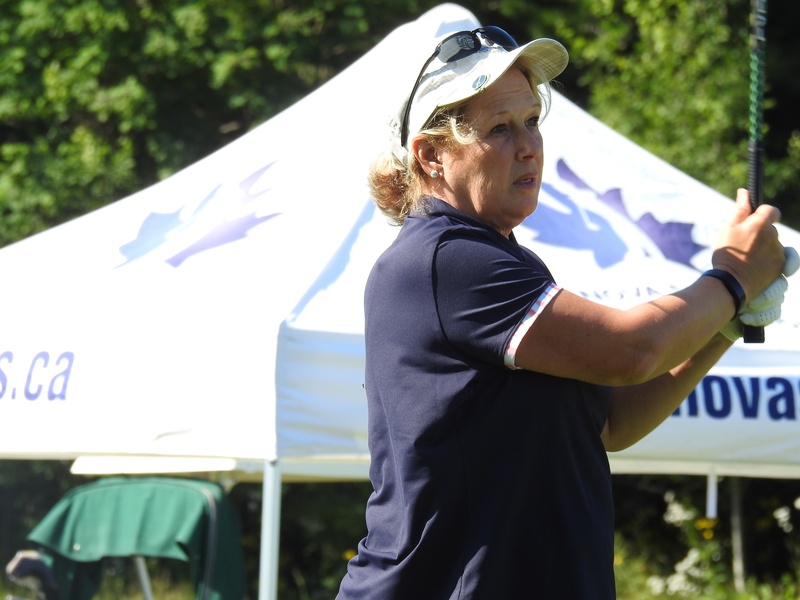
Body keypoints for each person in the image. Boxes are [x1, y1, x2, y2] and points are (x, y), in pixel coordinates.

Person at [337, 26, 793, 599]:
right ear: (431, 156)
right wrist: (733, 278)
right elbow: (633, 350)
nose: (528, 145)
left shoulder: (501, 261)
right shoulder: (445, 259)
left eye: (532, 121)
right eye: (499, 128)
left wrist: (725, 323)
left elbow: (613, 422)